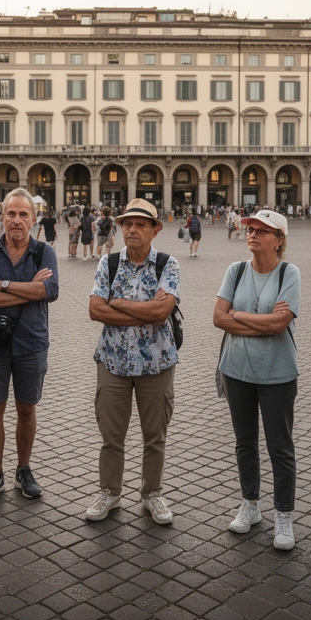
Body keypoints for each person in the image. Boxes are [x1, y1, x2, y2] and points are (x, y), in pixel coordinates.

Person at [84, 199, 181, 524]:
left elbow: (161, 312)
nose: (133, 229)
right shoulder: (108, 263)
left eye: (141, 224)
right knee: (112, 436)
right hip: (112, 363)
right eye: (127, 224)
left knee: (155, 436)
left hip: (156, 365)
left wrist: (119, 303)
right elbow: (96, 310)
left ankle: (152, 493)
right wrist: (143, 312)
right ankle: (110, 492)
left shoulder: (167, 264)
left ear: (156, 229)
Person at [213, 210, 301, 550]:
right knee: (244, 442)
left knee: (280, 447)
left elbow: (280, 325)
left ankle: (283, 515)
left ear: (279, 239)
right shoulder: (235, 271)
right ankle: (251, 504)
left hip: (277, 373)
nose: (253, 234)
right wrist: (257, 320)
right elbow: (218, 318)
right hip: (236, 369)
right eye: (251, 229)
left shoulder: (288, 273)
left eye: (263, 231)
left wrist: (239, 315)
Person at [0, 188, 59, 504]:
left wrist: (2, 285)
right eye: (11, 213)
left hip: (31, 342)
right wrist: (28, 289)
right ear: (2, 216)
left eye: (24, 214)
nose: (17, 220)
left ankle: (24, 468)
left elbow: (50, 290)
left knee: (26, 408)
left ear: (34, 220)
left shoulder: (43, 252)